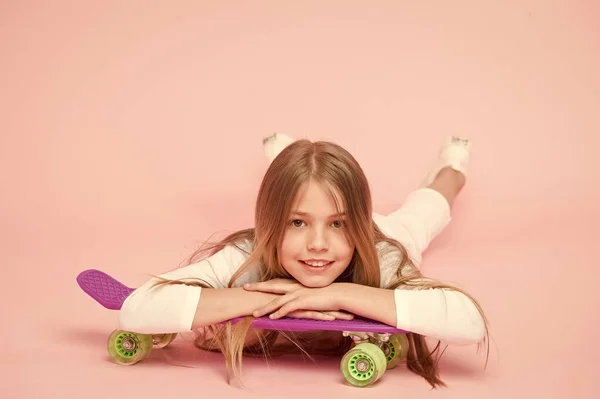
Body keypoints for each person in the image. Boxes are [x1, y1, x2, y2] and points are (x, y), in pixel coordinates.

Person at [119, 133, 489, 388]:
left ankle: (454, 165)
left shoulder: (384, 254)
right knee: (301, 177)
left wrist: (339, 294)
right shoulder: (250, 255)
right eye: (297, 222)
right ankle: (286, 154)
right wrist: (266, 298)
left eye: (336, 223)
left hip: (384, 232)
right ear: (270, 224)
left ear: (353, 223)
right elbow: (138, 308)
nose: (318, 245)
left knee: (426, 208)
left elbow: (468, 321)